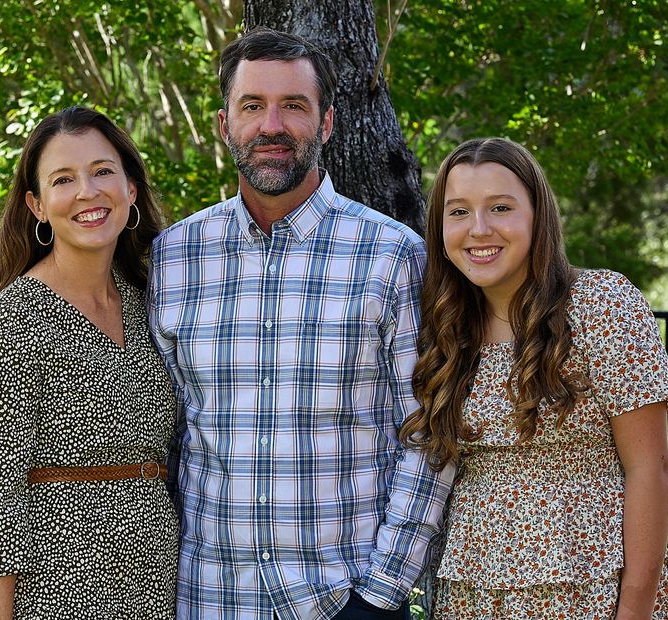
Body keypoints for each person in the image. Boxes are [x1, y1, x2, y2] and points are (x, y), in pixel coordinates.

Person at [149, 28, 453, 620]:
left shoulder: (393, 256)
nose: (272, 126)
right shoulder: (173, 259)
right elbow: (166, 432)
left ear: (327, 123)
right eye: (253, 106)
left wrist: (380, 596)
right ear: (223, 123)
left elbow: (429, 432)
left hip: (339, 599)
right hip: (208, 599)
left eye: (294, 106)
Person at [400, 137, 668, 619]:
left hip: (585, 589)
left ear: (536, 215)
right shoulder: (446, 331)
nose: (478, 229)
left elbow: (650, 470)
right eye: (458, 212)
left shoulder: (601, 306)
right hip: (472, 592)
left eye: (500, 207)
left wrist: (634, 612)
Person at [0, 106, 177, 619]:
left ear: (131, 188)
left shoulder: (151, 303)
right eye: (63, 179)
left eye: (102, 172)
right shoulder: (8, 324)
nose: (87, 192)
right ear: (38, 205)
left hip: (160, 587)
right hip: (61, 591)